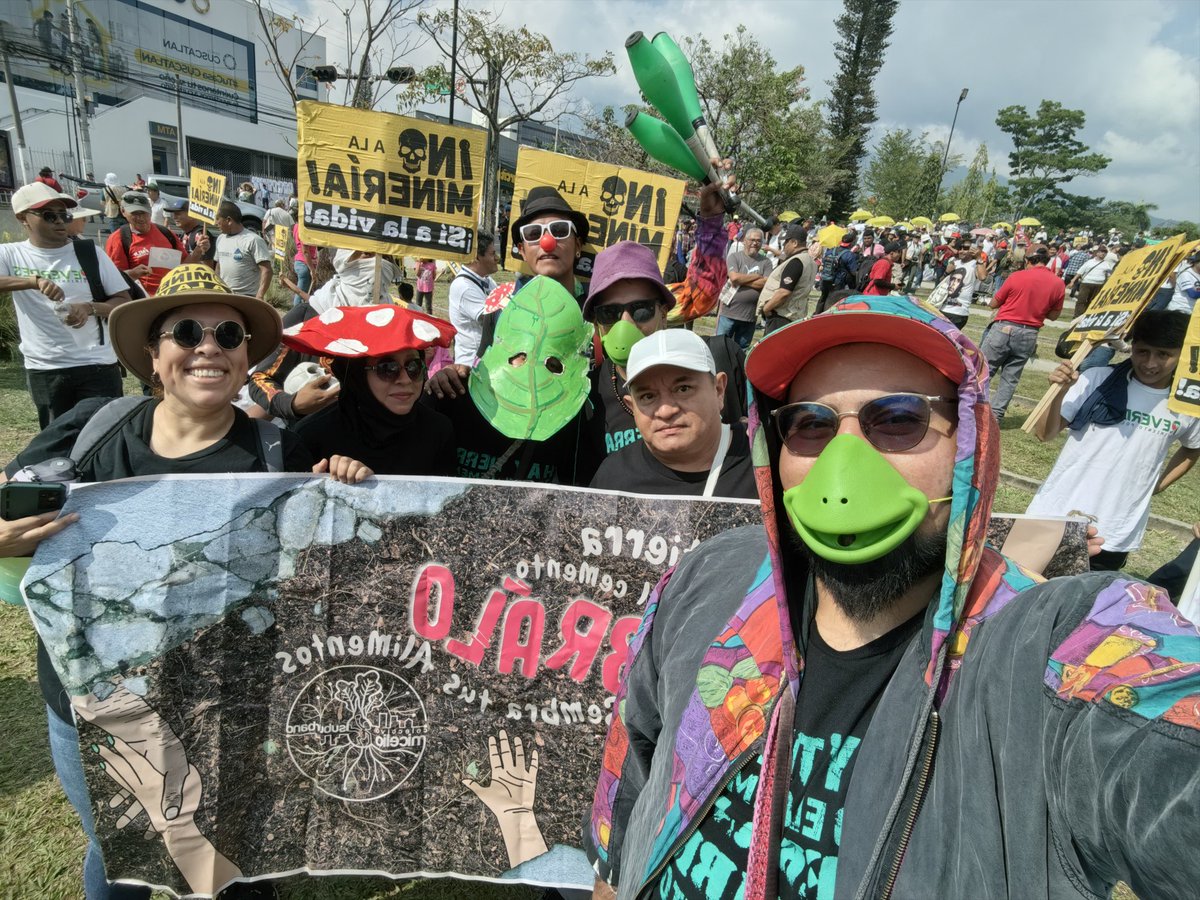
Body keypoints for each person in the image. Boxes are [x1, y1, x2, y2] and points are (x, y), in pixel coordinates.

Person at [584, 294, 1200, 900]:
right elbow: (635, 746)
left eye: (899, 419)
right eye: (811, 425)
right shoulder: (712, 574)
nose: (844, 469)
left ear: (971, 444)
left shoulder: (1045, 647)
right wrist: (611, 874)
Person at [0, 264, 372, 900]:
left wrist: (344, 495)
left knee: (227, 853)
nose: (208, 347)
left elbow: (321, 583)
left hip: (225, 708)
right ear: (153, 354)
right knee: (121, 851)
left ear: (245, 358)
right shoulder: (94, 427)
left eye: (228, 335)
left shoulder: (277, 455)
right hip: (92, 701)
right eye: (187, 333)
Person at [1029, 310, 1200, 571]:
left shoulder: (1186, 405)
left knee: (1086, 596)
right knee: (1026, 585)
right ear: (1132, 347)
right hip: (1055, 513)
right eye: (1142, 351)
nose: (1150, 363)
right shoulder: (1097, 379)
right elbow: (1044, 434)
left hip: (1115, 530)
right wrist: (1059, 392)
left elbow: (1192, 448)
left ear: (1182, 355)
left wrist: (1157, 486)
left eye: (1163, 354)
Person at [581, 236, 747, 455]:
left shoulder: (720, 359)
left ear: (663, 314)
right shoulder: (588, 393)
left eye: (641, 310)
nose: (626, 324)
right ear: (597, 324)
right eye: (608, 313)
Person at [0, 182, 131, 428]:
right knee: (57, 440)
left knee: (103, 437)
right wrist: (33, 281)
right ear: (23, 218)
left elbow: (123, 302)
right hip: (46, 368)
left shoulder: (90, 253)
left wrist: (89, 308)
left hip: (97, 365)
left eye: (64, 214)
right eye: (49, 215)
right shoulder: (10, 254)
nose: (60, 221)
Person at [286, 304, 458, 475]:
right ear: (356, 376)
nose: (405, 380)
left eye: (413, 366)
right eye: (388, 368)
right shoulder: (312, 436)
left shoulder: (438, 430)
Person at [590, 329, 755, 499]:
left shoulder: (762, 460)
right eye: (648, 396)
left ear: (719, 390)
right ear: (633, 407)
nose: (666, 411)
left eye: (683, 389)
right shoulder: (612, 479)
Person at [249, 250, 400, 422]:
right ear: (343, 258)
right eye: (367, 254)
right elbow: (260, 379)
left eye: (383, 257)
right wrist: (293, 405)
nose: (377, 264)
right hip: (310, 431)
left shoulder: (398, 324)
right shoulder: (307, 317)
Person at [980, 248, 1065, 419]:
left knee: (983, 371)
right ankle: (995, 417)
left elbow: (994, 303)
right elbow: (1054, 316)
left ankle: (972, 409)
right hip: (1030, 333)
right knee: (1010, 378)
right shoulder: (1058, 283)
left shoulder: (1017, 276)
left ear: (1028, 260)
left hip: (1004, 328)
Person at [104, 191, 182, 296]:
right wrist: (132, 273)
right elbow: (114, 279)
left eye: (143, 212)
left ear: (150, 210)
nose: (140, 218)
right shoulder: (118, 239)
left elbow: (185, 263)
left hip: (172, 296)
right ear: (123, 211)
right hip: (143, 300)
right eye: (134, 213)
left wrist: (198, 250)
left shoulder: (166, 233)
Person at [448, 232, 499, 365]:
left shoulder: (487, 280)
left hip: (488, 359)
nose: (497, 258)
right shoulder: (464, 286)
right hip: (472, 364)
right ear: (477, 257)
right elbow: (492, 320)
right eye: (492, 254)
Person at [717, 227, 771, 350]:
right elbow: (734, 278)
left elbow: (765, 283)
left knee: (741, 350)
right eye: (752, 240)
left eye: (758, 241)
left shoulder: (766, 262)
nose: (755, 243)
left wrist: (742, 280)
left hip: (750, 316)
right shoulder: (734, 257)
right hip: (729, 313)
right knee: (720, 347)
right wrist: (757, 276)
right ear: (745, 241)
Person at [757, 223, 815, 333]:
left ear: (794, 243)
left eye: (786, 242)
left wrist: (766, 309)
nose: (784, 245)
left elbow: (784, 292)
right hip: (795, 315)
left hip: (782, 317)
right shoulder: (809, 260)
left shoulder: (796, 261)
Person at [213, 201, 272, 301]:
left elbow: (267, 270)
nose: (215, 223)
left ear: (228, 220)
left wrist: (260, 296)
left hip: (246, 298)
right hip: (224, 295)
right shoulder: (220, 238)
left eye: (218, 219)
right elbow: (219, 266)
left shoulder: (253, 240)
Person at [937, 242, 984, 329]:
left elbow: (983, 277)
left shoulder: (975, 264)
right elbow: (941, 283)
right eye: (960, 248)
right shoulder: (954, 262)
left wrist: (979, 258)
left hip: (958, 313)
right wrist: (946, 272)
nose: (961, 251)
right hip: (942, 308)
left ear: (973, 251)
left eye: (965, 248)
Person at [164, 197, 214, 268]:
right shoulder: (184, 235)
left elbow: (207, 266)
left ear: (192, 216)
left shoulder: (201, 235)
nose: (174, 217)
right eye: (174, 214)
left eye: (178, 214)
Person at [1066, 245, 1113, 318]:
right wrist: (1073, 281)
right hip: (1086, 283)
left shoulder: (1107, 264)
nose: (1103, 254)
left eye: (1105, 252)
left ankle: (1087, 316)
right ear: (1097, 253)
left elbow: (1109, 275)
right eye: (1101, 252)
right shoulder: (1089, 262)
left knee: (1092, 301)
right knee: (1081, 300)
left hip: (1098, 285)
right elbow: (1080, 272)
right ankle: (1077, 315)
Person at [1168, 249, 1200, 314]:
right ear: (1196, 262)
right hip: (1179, 310)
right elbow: (1193, 294)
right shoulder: (1186, 273)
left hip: (1192, 311)